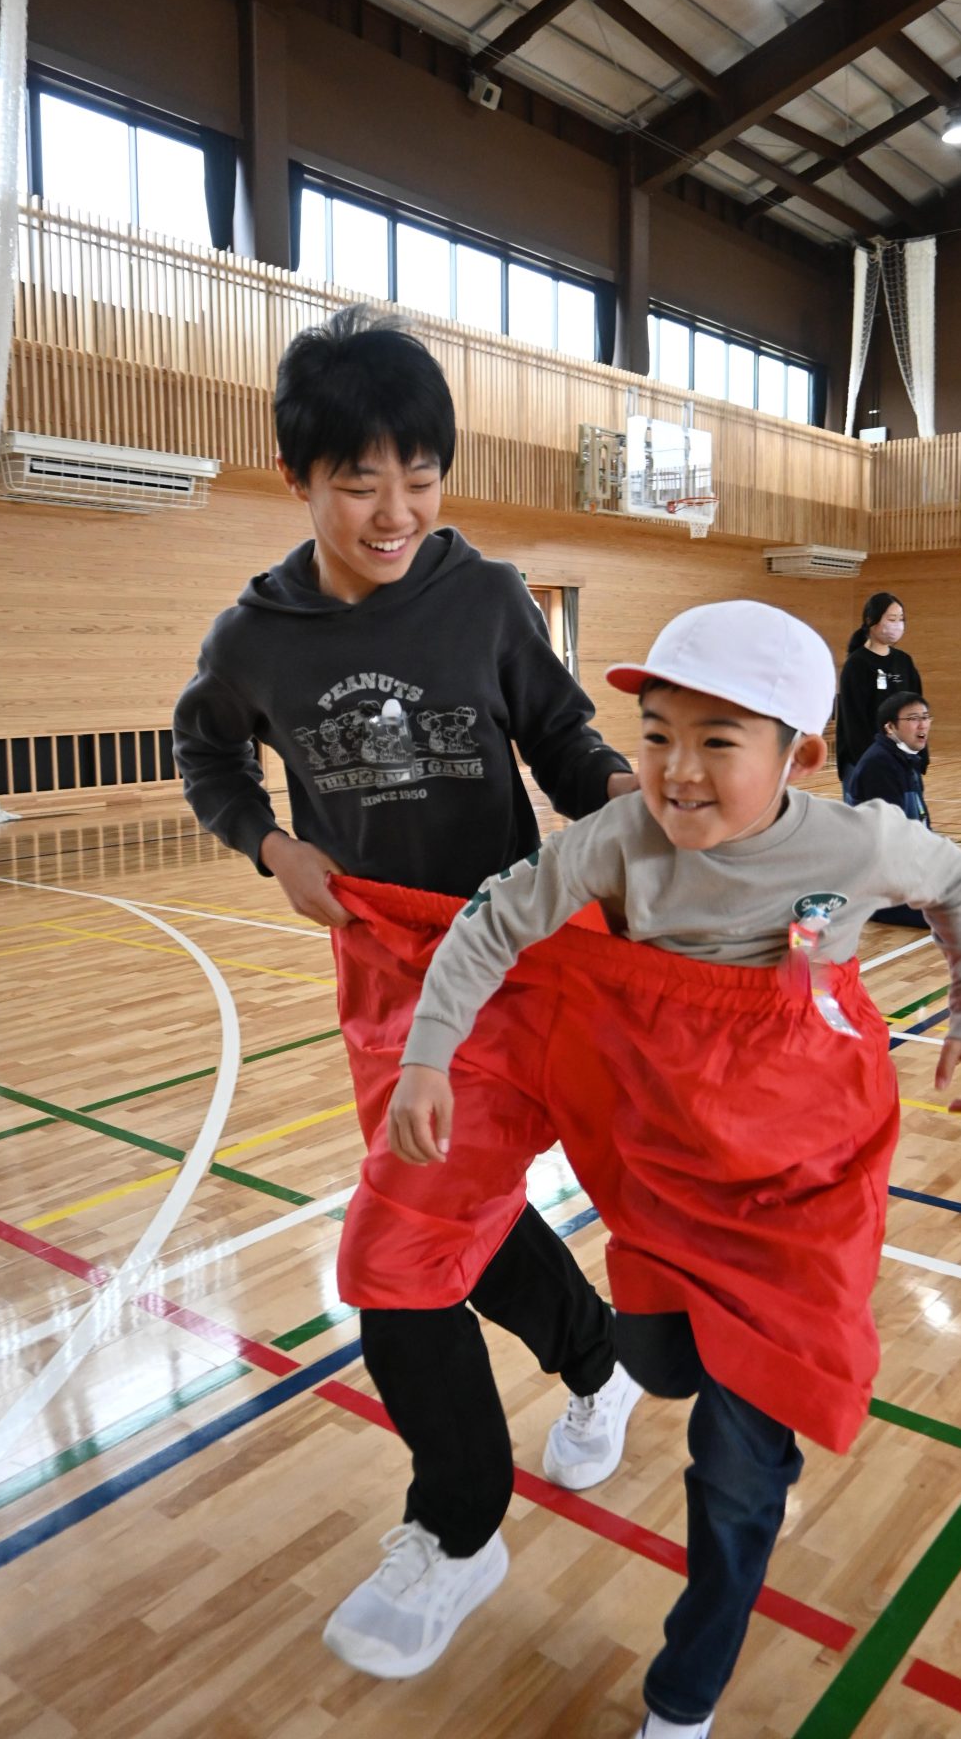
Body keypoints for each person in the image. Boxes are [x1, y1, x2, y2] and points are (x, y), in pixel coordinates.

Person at [383, 600, 961, 1738]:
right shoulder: (619, 838)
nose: (675, 769)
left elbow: (958, 884)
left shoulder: (858, 844)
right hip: (667, 1160)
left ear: (797, 756)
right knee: (659, 1358)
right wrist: (428, 1055)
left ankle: (683, 1700)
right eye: (657, 734)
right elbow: (490, 923)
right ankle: (654, 1378)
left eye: (717, 741)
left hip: (804, 1175)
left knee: (734, 1468)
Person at [173, 304, 643, 1680]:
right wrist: (271, 846)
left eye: (420, 477)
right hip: (383, 976)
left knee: (395, 1252)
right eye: (360, 482)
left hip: (512, 959)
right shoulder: (254, 637)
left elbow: (560, 737)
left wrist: (629, 803)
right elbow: (207, 754)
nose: (395, 512)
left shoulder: (485, 596)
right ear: (298, 480)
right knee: (454, 1215)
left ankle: (458, 1524)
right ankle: (597, 1357)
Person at [844, 691, 933, 926]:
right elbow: (890, 836)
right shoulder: (879, 765)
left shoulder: (907, 760)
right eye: (913, 718)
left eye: (925, 717)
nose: (922, 724)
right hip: (878, 880)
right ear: (890, 727)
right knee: (948, 912)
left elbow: (920, 820)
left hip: (901, 871)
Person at [835, 591, 923, 792]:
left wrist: (920, 754)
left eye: (901, 619)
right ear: (870, 621)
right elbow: (854, 722)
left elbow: (918, 710)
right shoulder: (857, 665)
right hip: (866, 763)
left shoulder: (904, 662)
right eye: (891, 619)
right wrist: (873, 762)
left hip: (903, 759)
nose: (897, 625)